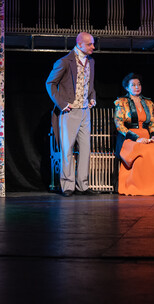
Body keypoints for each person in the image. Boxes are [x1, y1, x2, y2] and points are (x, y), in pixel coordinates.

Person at [46, 32, 99, 197]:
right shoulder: (64, 62)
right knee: (67, 149)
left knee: (85, 149)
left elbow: (90, 84)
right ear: (80, 44)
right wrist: (62, 104)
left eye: (93, 43)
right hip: (69, 111)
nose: (93, 47)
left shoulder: (91, 61)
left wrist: (92, 98)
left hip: (85, 111)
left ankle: (83, 185)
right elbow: (50, 83)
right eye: (90, 44)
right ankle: (68, 186)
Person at [114, 73, 154, 196]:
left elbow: (152, 123)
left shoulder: (149, 103)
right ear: (127, 88)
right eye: (133, 85)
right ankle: (136, 186)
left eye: (138, 84)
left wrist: (153, 135)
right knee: (143, 150)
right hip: (128, 138)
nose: (137, 87)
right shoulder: (121, 102)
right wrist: (136, 138)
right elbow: (119, 125)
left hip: (146, 137)